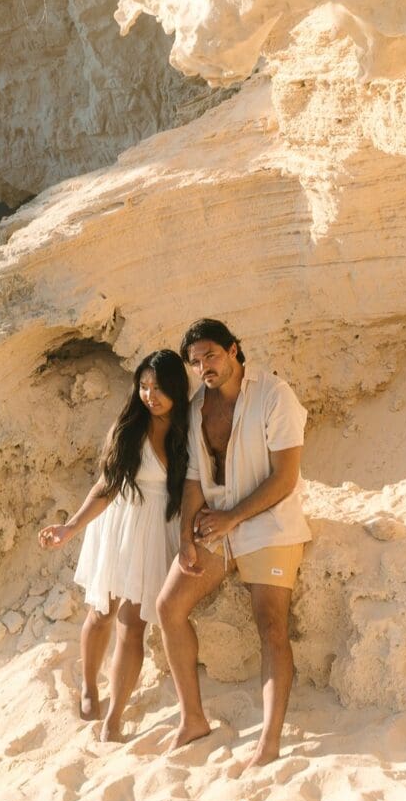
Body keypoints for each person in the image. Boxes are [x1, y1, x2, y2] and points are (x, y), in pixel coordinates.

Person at [155, 318, 311, 768]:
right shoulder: (196, 405)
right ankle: (192, 719)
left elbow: (285, 478)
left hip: (267, 520)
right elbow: (192, 478)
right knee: (169, 607)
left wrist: (232, 518)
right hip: (216, 522)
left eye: (212, 355)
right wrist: (186, 536)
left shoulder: (273, 395)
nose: (205, 366)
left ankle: (269, 740)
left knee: (270, 624)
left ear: (234, 350)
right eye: (196, 361)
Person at [38, 348, 189, 741]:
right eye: (143, 386)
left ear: (176, 388)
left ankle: (114, 719)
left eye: (158, 388)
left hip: (156, 532)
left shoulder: (187, 432)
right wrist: (69, 528)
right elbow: (107, 487)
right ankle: (89, 687)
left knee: (132, 626)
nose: (149, 396)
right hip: (119, 525)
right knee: (101, 613)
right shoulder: (130, 428)